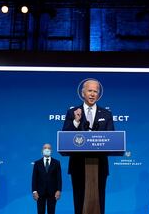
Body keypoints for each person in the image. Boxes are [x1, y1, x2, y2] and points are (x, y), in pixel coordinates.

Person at [62, 79, 114, 214]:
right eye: (90, 91)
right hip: (77, 164)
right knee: (79, 200)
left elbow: (112, 140)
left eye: (95, 91)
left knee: (99, 199)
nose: (92, 94)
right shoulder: (73, 112)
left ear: (98, 94)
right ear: (83, 93)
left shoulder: (106, 114)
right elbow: (65, 138)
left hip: (100, 165)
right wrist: (76, 121)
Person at [32, 143, 62, 214]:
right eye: (45, 148)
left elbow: (59, 178)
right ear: (42, 150)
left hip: (53, 192)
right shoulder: (37, 163)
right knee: (40, 212)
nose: (47, 149)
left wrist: (59, 190)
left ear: (51, 150)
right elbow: (34, 178)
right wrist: (34, 191)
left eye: (49, 148)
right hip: (40, 192)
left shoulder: (57, 163)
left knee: (51, 212)